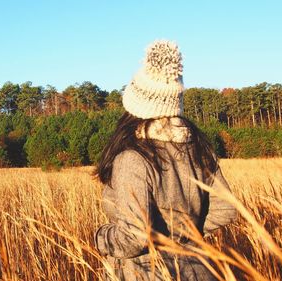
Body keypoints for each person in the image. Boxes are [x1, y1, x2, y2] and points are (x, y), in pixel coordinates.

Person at [94, 40, 238, 280]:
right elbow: (227, 209)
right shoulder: (198, 149)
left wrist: (102, 237)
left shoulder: (132, 158)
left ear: (136, 105)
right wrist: (185, 237)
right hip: (199, 270)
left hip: (148, 272)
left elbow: (134, 236)